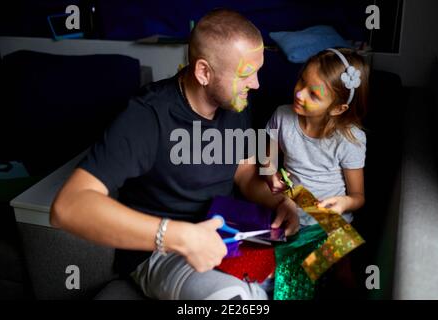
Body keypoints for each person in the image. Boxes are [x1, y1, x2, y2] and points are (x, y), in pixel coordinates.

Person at [50, 9, 299, 300]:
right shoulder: (146, 115)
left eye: (258, 71)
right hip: (161, 251)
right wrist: (181, 237)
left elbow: (243, 172)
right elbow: (67, 207)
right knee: (238, 300)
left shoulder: (237, 102)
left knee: (307, 274)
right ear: (204, 72)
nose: (256, 84)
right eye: (246, 74)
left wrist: (278, 201)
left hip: (227, 236)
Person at [262, 48, 369, 298]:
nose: (299, 94)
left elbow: (358, 197)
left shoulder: (350, 139)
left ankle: (341, 271)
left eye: (313, 94)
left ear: (337, 109)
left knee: (332, 274)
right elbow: (264, 150)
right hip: (292, 216)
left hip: (331, 225)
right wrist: (269, 171)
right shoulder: (282, 115)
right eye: (301, 81)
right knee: (282, 279)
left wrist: (345, 203)